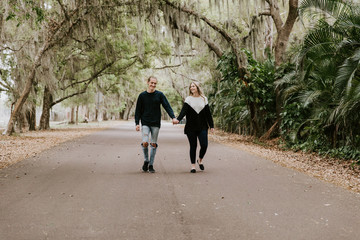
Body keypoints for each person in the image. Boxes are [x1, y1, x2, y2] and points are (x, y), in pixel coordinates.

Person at [135, 76, 179, 173]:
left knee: (153, 144)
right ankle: (146, 160)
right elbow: (138, 110)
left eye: (155, 83)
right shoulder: (142, 96)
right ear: (148, 82)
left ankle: (151, 164)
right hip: (145, 122)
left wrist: (173, 117)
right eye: (152, 83)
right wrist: (137, 123)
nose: (153, 85)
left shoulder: (159, 95)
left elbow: (167, 106)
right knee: (145, 142)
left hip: (155, 123)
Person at [176, 82, 214, 173]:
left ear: (197, 87)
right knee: (193, 146)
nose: (191, 87)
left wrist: (211, 125)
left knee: (204, 145)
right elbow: (183, 111)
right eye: (190, 86)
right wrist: (178, 119)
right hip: (191, 127)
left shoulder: (204, 99)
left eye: (193, 86)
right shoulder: (188, 99)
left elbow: (208, 114)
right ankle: (193, 166)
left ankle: (200, 160)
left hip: (203, 126)